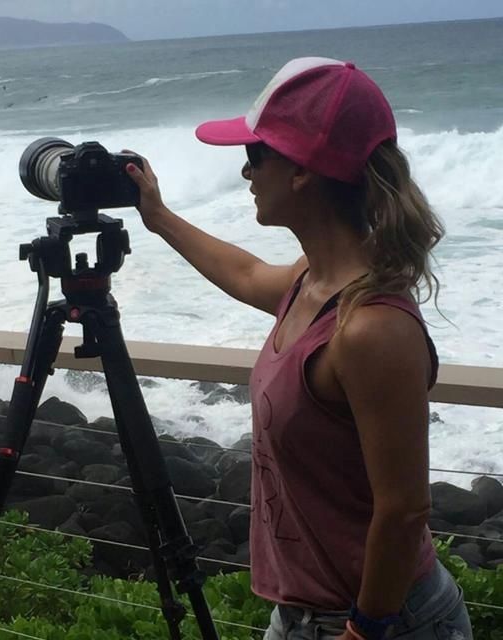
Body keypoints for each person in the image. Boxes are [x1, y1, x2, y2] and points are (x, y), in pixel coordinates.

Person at [125, 57, 473, 640]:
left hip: (380, 622)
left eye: (256, 156)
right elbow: (244, 272)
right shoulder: (310, 280)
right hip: (304, 614)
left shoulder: (370, 329)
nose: (245, 173)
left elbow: (405, 507)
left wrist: (365, 628)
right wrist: (158, 217)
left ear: (304, 172)